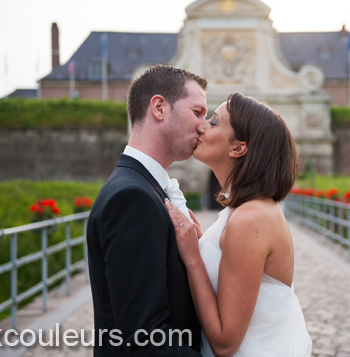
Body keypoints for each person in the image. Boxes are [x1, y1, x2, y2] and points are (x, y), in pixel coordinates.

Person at [165, 92, 312, 356]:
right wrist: (202, 243)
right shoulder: (243, 210)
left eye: (214, 122)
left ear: (238, 148)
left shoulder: (250, 218)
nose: (202, 125)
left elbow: (225, 343)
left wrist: (193, 258)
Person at [86, 64, 207, 355]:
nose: (203, 125)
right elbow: (147, 336)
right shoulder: (131, 197)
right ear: (159, 108)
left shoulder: (140, 187)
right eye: (197, 112)